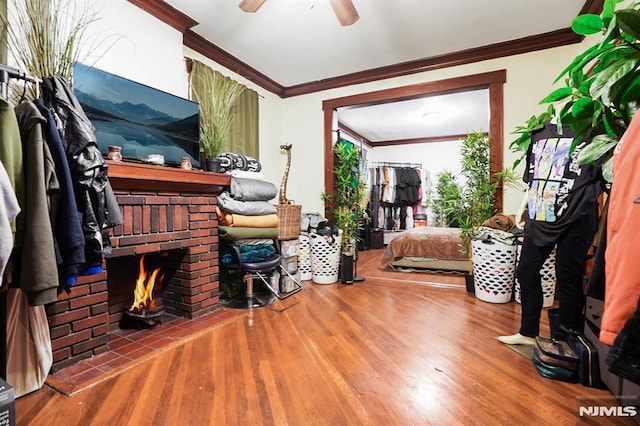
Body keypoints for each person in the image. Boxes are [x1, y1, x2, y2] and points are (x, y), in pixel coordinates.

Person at [498, 122, 604, 345]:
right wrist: (523, 208)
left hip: (576, 216)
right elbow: (534, 178)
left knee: (568, 277)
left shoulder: (594, 130)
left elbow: (602, 178)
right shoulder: (537, 133)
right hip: (540, 214)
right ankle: (528, 332)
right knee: (526, 271)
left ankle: (565, 338)